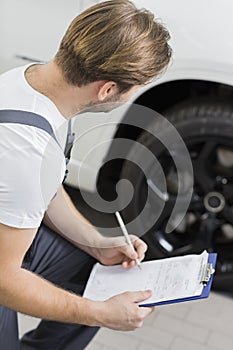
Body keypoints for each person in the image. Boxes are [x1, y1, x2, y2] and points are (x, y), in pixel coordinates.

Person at [0, 0, 171, 349]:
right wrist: (100, 313)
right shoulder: (25, 152)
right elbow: (4, 280)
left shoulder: (34, 82)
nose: (136, 94)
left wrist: (98, 243)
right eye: (136, 86)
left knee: (92, 273)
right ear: (107, 89)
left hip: (9, 233)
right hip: (3, 266)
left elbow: (42, 190)